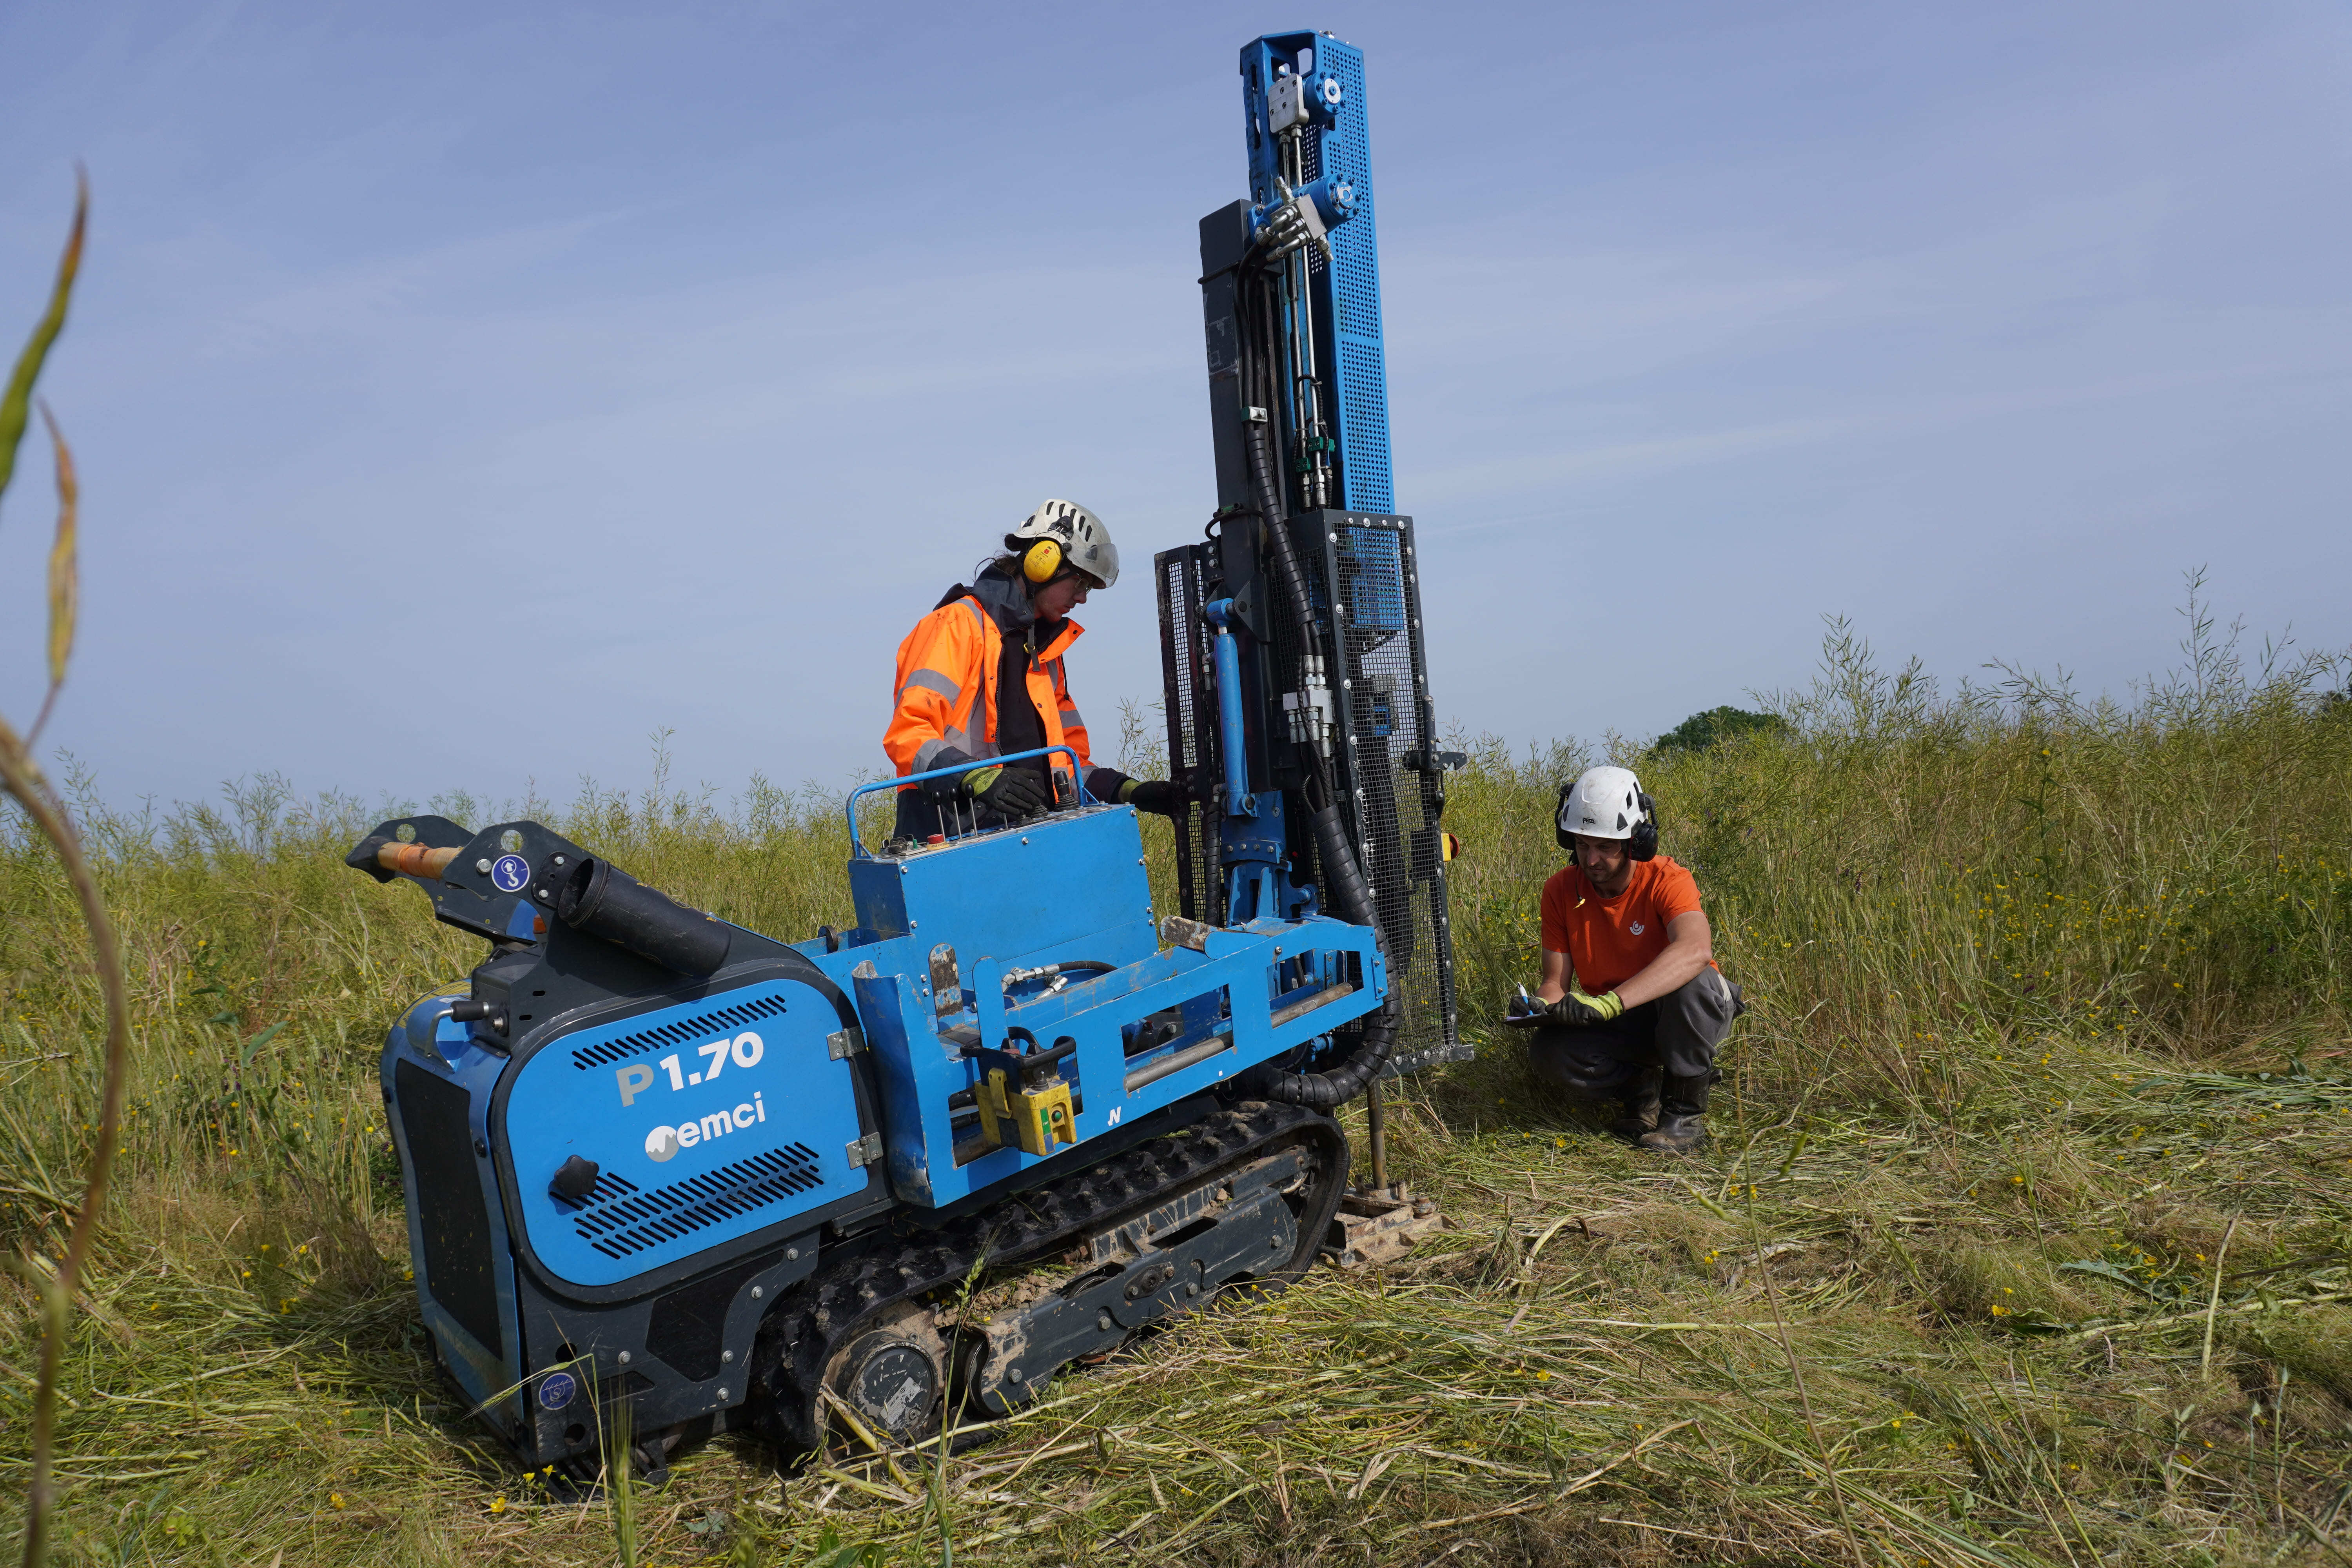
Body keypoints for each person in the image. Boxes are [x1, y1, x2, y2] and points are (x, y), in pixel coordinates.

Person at [884, 500, 1180, 841]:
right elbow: (909, 734)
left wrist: (1128, 791)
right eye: (1080, 583)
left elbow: (1065, 764)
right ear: (1044, 562)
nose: (1082, 599)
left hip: (1027, 839)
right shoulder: (957, 625)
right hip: (952, 835)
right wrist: (979, 779)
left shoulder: (1044, 652)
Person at [1512, 765, 1740, 1152]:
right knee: (1550, 1051)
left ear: (1636, 842)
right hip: (1622, 1018)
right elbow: (1555, 982)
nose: (1592, 859)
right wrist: (1542, 1007)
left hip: (1690, 1012)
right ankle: (1642, 1093)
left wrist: (1609, 1002)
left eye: (1605, 847)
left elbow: (1696, 949)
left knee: (1693, 980)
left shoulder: (1668, 879)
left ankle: (1682, 1117)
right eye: (1582, 845)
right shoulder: (1561, 890)